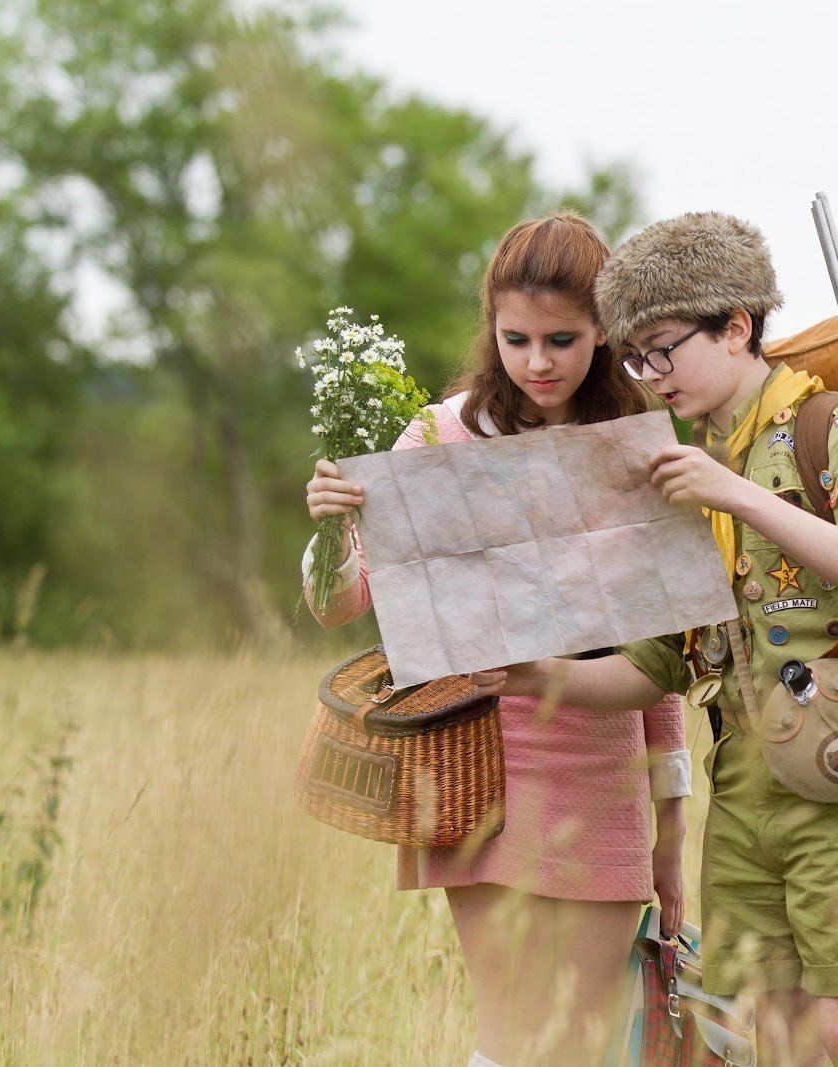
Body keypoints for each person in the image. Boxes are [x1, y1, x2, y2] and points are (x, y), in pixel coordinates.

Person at [470, 212, 838, 1067]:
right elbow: (655, 669)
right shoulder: (683, 464)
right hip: (747, 785)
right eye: (634, 354)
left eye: (663, 349)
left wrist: (737, 495)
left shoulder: (831, 423)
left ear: (736, 326)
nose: (647, 374)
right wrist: (532, 676)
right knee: (775, 1036)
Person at [301, 211, 690, 1067]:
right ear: (491, 328)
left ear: (604, 333)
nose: (538, 362)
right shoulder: (440, 435)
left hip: (599, 763)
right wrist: (329, 529)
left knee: (583, 1039)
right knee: (513, 1034)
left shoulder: (638, 455)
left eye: (563, 337)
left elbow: (663, 668)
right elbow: (343, 602)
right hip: (472, 761)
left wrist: (672, 831)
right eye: (516, 339)